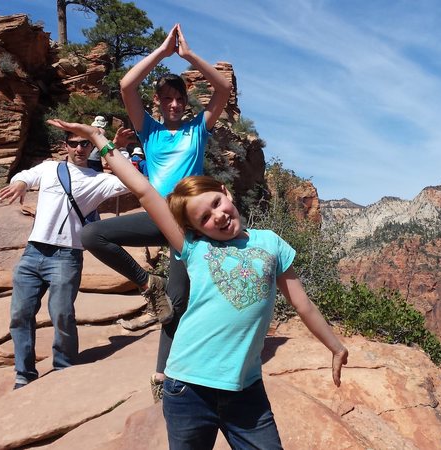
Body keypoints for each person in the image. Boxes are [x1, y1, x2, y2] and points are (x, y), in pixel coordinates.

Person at [47, 118, 349, 449]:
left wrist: (335, 346)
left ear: (226, 191)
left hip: (246, 391)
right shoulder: (192, 247)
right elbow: (144, 190)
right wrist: (99, 139)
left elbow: (302, 303)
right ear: (195, 229)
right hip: (187, 387)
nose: (216, 217)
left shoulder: (271, 242)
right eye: (204, 218)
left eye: (216, 204)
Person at [80, 23, 232, 400]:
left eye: (179, 98)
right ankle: (150, 284)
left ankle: (163, 377)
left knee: (176, 304)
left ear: (186, 101)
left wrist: (189, 56)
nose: (174, 104)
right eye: (166, 99)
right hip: (155, 215)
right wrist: (162, 53)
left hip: (188, 224)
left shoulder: (198, 128)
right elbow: (127, 86)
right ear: (158, 103)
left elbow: (223, 90)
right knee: (91, 235)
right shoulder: (148, 130)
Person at [0, 131, 129, 389]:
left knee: (61, 314)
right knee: (20, 314)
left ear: (92, 146)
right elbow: (24, 176)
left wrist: (116, 149)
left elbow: (128, 182)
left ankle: (64, 367)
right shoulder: (49, 168)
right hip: (33, 252)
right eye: (73, 143)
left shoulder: (99, 180)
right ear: (64, 145)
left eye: (85, 144)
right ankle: (24, 374)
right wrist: (21, 184)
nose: (79, 148)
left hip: (66, 255)